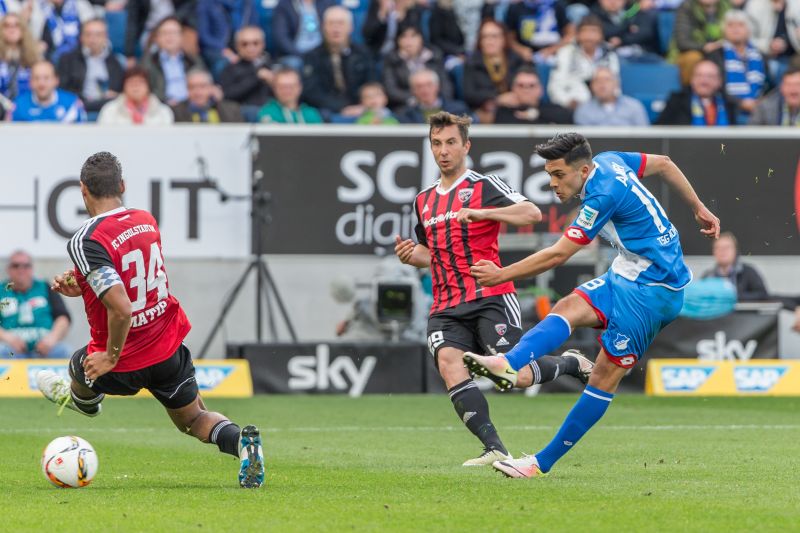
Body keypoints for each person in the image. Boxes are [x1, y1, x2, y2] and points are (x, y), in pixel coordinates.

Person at [464, 133, 720, 478]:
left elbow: (558, 254)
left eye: (559, 175)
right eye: (549, 175)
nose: (553, 184)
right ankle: (508, 364)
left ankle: (539, 464)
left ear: (583, 171)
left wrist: (501, 275)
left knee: (602, 377)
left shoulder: (602, 195)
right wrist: (699, 207)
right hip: (629, 272)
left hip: (652, 292)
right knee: (568, 307)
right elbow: (664, 163)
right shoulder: (610, 159)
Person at [35, 151, 265, 489]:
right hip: (167, 349)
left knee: (78, 365)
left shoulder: (85, 239)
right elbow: (130, 274)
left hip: (124, 361)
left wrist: (110, 356)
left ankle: (84, 401)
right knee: (193, 419)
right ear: (122, 186)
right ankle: (242, 443)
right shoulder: (145, 220)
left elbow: (122, 308)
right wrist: (83, 283)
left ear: (83, 190)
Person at [394, 112, 593, 466]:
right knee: (449, 363)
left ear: (466, 146)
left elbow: (531, 213)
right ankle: (494, 448)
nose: (443, 151)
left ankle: (570, 362)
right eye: (436, 143)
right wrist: (412, 256)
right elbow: (432, 253)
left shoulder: (484, 185)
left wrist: (484, 213)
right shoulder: (424, 200)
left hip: (489, 297)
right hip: (445, 304)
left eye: (451, 142)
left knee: (517, 376)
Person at [301, 6, 376, 119]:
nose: (336, 29)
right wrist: (341, 108)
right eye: (331, 23)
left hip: (360, 108)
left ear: (350, 27)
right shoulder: (311, 57)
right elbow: (312, 92)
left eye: (341, 23)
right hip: (326, 111)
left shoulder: (364, 54)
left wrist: (363, 105)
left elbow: (371, 83)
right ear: (323, 27)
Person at [0, 250, 72, 359]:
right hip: (11, 349)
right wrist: (7, 338)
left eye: (26, 266)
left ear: (32, 268)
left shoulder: (46, 287)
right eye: (16, 266)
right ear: (8, 269)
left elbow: (63, 318)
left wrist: (51, 339)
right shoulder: (1, 290)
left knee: (63, 350)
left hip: (45, 349)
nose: (21, 270)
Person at [547, 15, 619, 109]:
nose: (589, 36)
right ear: (578, 35)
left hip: (602, 108)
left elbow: (615, 87)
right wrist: (567, 102)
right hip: (570, 106)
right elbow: (555, 87)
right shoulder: (566, 53)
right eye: (585, 31)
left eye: (593, 31)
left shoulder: (610, 54)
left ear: (601, 35)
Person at [705, 10, 767, 119]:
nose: (735, 29)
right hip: (727, 110)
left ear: (749, 30)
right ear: (724, 30)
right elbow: (714, 87)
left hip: (758, 109)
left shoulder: (759, 55)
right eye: (730, 25)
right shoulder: (715, 55)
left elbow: (768, 84)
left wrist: (760, 102)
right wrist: (740, 103)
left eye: (740, 25)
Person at [463, 18, 526, 124]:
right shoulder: (472, 63)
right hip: (484, 111)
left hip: (514, 108)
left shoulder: (516, 60)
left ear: (504, 39)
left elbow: (525, 86)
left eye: (494, 36)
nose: (489, 41)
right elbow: (469, 94)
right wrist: (497, 99)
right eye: (485, 37)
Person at [56, 18, 125, 114]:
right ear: (81, 37)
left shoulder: (115, 62)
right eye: (88, 34)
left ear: (106, 37)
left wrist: (115, 95)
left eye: (98, 35)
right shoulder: (67, 60)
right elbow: (62, 89)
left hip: (108, 109)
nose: (93, 39)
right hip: (78, 106)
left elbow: (121, 90)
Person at [381, 24, 451, 110]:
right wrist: (416, 99)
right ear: (398, 40)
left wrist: (437, 99)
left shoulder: (434, 56)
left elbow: (445, 84)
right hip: (406, 106)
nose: (409, 41)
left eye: (413, 36)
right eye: (404, 37)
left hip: (436, 102)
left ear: (421, 38)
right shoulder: (392, 60)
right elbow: (391, 89)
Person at [141, 16, 205, 105]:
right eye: (165, 33)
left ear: (181, 36)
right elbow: (145, 90)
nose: (170, 37)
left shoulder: (193, 60)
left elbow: (203, 82)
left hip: (191, 105)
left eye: (174, 33)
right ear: (157, 38)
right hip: (162, 106)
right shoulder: (148, 62)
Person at [656, 59, 738, 125]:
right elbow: (660, 131)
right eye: (699, 75)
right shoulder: (677, 102)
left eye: (710, 76)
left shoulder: (729, 105)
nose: (704, 81)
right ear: (692, 80)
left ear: (719, 81)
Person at [218, 26, 273, 122]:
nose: (250, 48)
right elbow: (227, 94)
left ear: (263, 44)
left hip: (271, 111)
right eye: (244, 44)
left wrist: (274, 82)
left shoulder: (271, 65)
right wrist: (256, 78)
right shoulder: (230, 69)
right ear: (237, 46)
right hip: (243, 112)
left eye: (255, 43)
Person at [671, 0, 732, 85]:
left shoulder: (726, 6)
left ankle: (726, 90)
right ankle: (690, 91)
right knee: (692, 58)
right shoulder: (687, 6)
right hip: (691, 51)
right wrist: (705, 47)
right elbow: (682, 42)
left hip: (719, 50)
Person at [196, 0, 259, 74]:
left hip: (243, 46)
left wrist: (245, 49)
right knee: (224, 66)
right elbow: (204, 36)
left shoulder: (247, 3)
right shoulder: (206, 3)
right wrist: (223, 49)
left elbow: (254, 30)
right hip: (217, 49)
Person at [12, 60, 86, 122]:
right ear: (30, 82)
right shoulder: (19, 105)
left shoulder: (72, 103)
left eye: (46, 78)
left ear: (56, 80)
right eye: (36, 78)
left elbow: (82, 131)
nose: (41, 83)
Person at [494, 66, 572, 124]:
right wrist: (497, 101)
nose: (526, 90)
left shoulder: (551, 110)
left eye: (531, 86)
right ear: (513, 89)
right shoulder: (504, 111)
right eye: (521, 85)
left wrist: (533, 113)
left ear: (541, 90)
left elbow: (566, 116)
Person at [702, 231, 767, 300]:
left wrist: (735, 297)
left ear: (735, 250)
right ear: (713, 252)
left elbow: (762, 295)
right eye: (718, 248)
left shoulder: (748, 272)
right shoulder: (708, 276)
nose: (722, 251)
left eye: (726, 247)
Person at [574, 66, 650, 126]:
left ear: (616, 84)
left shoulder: (634, 107)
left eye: (606, 80)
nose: (602, 84)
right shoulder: (583, 110)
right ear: (591, 86)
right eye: (597, 81)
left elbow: (646, 137)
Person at [97, 66, 174, 124]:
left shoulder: (164, 111)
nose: (135, 86)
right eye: (131, 82)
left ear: (148, 87)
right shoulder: (109, 110)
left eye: (140, 82)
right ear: (123, 87)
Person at [504, 0, 573, 64]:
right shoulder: (515, 8)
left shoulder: (557, 5)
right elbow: (508, 38)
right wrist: (521, 50)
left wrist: (552, 50)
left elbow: (570, 34)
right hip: (525, 56)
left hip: (556, 54)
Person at [271, 0, 335, 68]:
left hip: (322, 52)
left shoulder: (327, 3)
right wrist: (301, 55)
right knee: (294, 64)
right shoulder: (285, 5)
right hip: (295, 54)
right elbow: (281, 37)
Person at [29, 0, 95, 63]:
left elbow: (92, 28)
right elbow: (31, 36)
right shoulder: (34, 4)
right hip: (48, 57)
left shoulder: (79, 3)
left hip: (78, 56)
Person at [395, 68, 470, 123]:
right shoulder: (405, 114)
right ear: (413, 90)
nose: (425, 90)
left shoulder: (458, 110)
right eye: (419, 86)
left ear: (437, 86)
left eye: (429, 85)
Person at [592, 0, 660, 59]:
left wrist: (621, 40)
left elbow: (645, 33)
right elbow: (604, 31)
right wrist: (627, 27)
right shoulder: (594, 15)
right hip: (609, 56)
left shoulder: (634, 11)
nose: (613, 2)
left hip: (642, 56)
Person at [172, 68, 242, 122]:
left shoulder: (232, 110)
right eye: (192, 87)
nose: (198, 92)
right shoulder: (176, 112)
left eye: (202, 86)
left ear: (211, 88)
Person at [257, 67, 323, 123]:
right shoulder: (267, 112)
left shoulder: (311, 114)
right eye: (282, 87)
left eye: (291, 86)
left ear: (299, 87)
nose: (287, 91)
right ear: (274, 88)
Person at [0, 13, 42, 102]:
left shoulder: (34, 58)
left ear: (23, 30)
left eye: (16, 25)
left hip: (27, 105)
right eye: (7, 26)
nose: (12, 29)